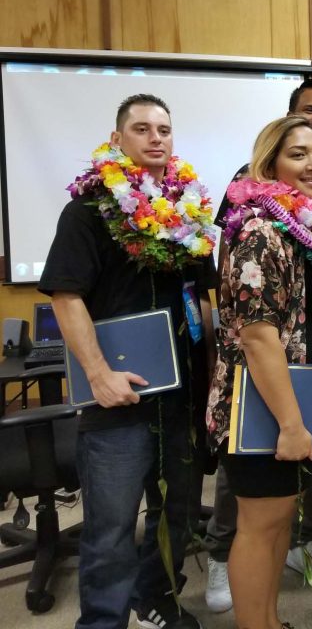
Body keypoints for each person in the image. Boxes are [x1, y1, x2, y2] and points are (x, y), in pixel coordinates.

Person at [40, 94, 218, 629]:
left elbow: (204, 302)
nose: (156, 138)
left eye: (164, 129)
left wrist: (213, 383)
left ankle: (154, 599)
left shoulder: (188, 213)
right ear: (117, 140)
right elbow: (66, 296)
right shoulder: (88, 212)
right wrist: (97, 374)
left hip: (180, 396)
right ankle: (103, 621)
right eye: (142, 129)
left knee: (180, 515)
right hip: (117, 398)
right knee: (112, 528)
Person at [206, 114, 312, 629]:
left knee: (278, 519)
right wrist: (293, 425)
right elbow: (258, 338)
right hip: (258, 404)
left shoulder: (295, 225)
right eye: (298, 154)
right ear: (270, 162)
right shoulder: (258, 231)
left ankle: (270, 620)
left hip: (284, 400)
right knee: (258, 525)